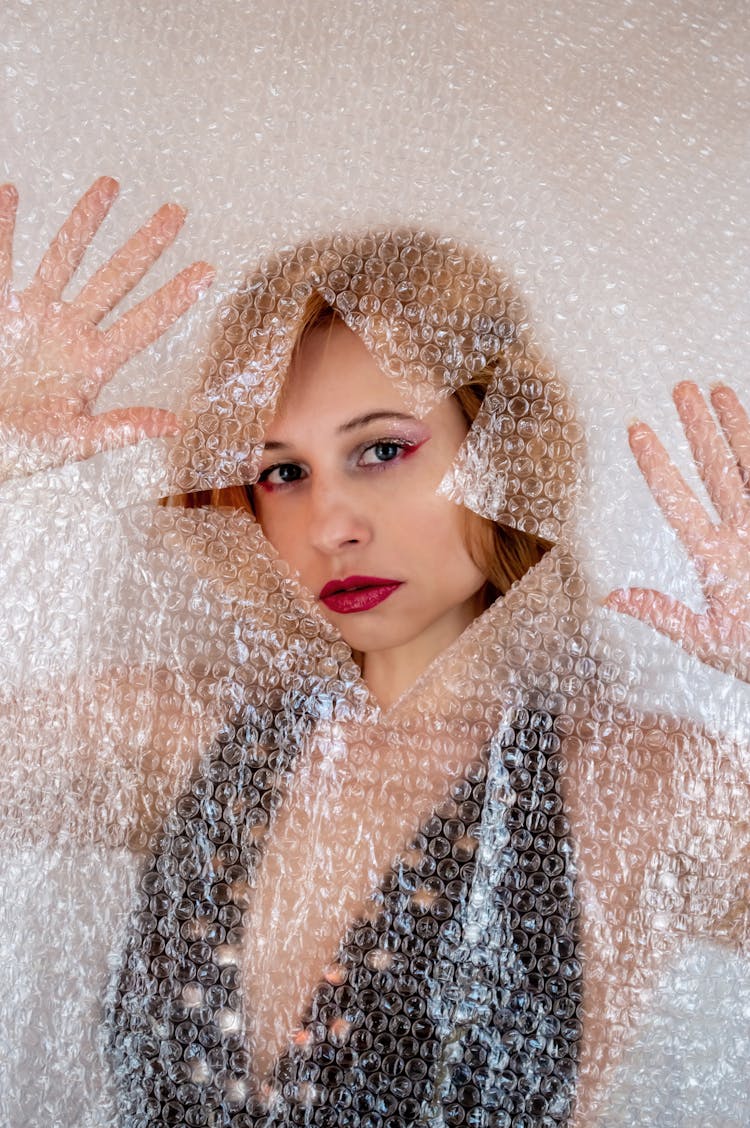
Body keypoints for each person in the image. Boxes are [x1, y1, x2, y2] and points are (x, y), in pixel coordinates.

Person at [1, 179, 748, 1127]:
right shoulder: (176, 736)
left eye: (382, 450)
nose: (331, 525)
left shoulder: (646, 794)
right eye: (283, 472)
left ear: (506, 449)